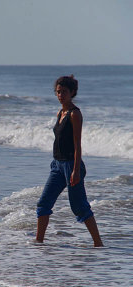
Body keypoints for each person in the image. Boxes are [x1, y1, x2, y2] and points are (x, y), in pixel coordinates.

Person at [36, 75, 103, 247]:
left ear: (72, 92)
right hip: (57, 165)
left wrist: (75, 170)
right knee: (43, 203)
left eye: (64, 92)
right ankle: (38, 241)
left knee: (79, 207)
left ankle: (98, 243)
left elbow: (77, 144)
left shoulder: (75, 114)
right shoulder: (60, 112)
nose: (60, 95)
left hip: (71, 165)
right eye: (58, 92)